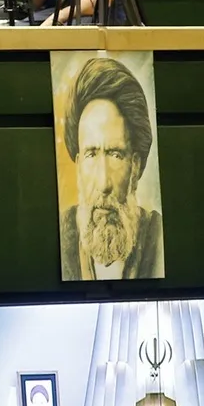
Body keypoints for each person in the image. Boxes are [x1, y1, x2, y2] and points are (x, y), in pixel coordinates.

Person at [59, 56, 165, 281]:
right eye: (91, 154)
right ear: (78, 166)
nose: (103, 183)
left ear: (135, 167)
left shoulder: (158, 239)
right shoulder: (60, 234)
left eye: (115, 155)